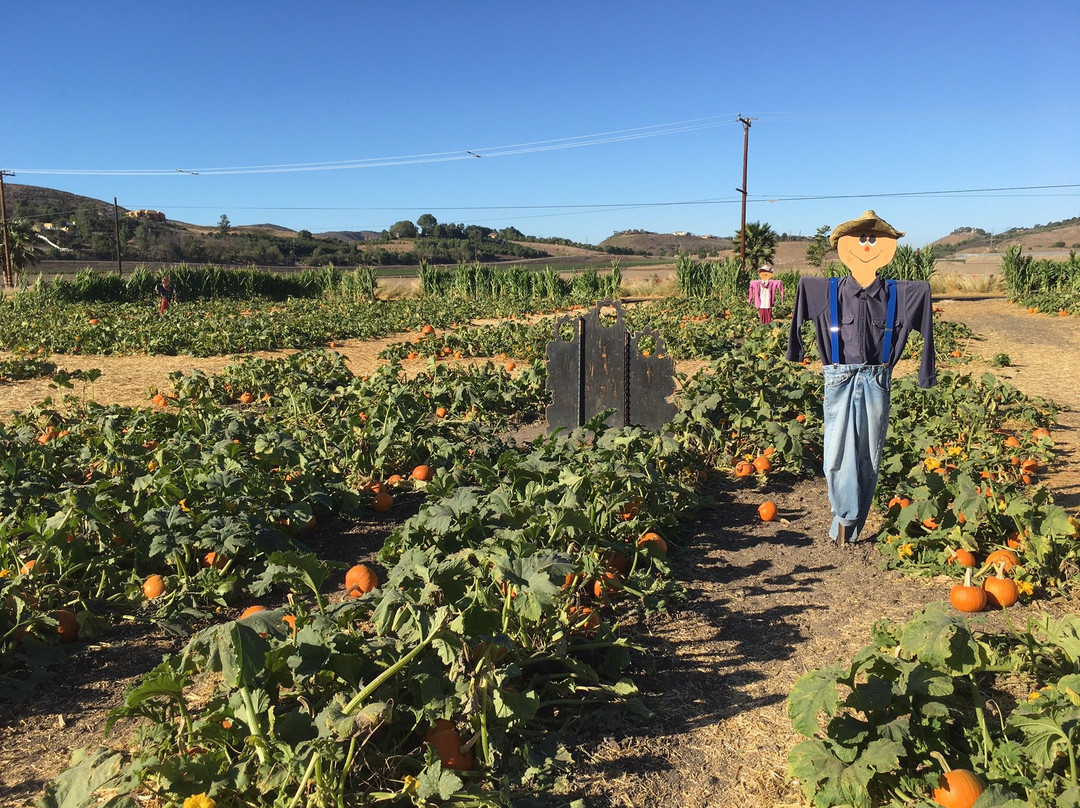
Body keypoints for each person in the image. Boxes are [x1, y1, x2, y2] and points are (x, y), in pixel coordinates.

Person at [785, 211, 936, 544]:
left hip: (877, 378)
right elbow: (799, 302)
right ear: (843, 247)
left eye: (875, 240)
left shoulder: (907, 293)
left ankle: (848, 529)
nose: (867, 247)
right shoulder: (822, 290)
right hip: (838, 378)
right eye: (859, 240)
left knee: (869, 455)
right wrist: (794, 351)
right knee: (836, 456)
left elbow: (926, 322)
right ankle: (844, 518)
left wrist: (927, 374)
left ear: (888, 249)